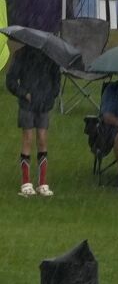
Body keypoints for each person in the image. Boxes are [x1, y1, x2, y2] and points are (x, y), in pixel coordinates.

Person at [7, 43, 61, 197]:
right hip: (27, 105)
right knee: (28, 139)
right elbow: (11, 81)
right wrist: (24, 94)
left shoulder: (50, 56)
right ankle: (26, 182)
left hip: (43, 105)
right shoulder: (21, 55)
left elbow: (56, 78)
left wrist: (51, 95)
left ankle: (42, 183)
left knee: (43, 139)